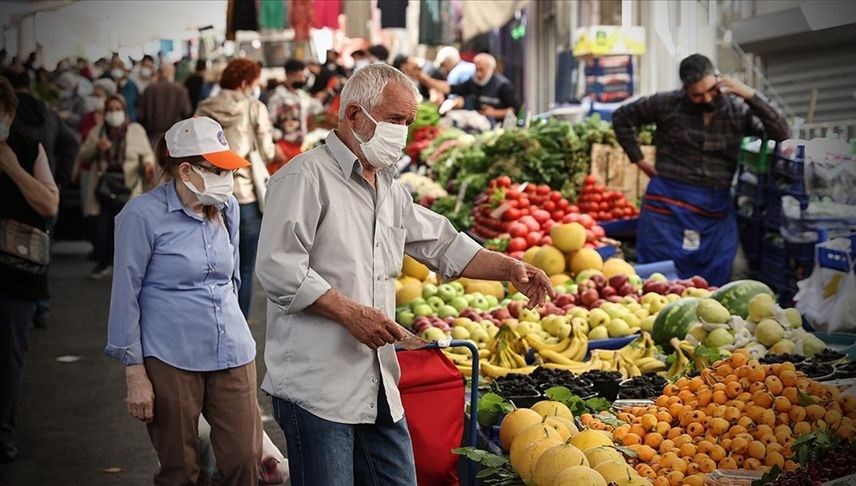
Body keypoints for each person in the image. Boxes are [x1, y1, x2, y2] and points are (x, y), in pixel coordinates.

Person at [255, 63, 554, 485]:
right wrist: (349, 312)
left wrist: (508, 268)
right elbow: (277, 267)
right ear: (356, 116)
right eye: (396, 120)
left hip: (377, 382)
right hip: (316, 389)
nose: (403, 132)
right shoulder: (304, 178)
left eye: (409, 123)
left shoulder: (389, 189)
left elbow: (443, 244)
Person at [105, 116, 262, 484]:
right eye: (217, 170)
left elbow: (233, 280)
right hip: (170, 356)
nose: (227, 179)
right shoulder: (142, 216)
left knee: (245, 461)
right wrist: (135, 372)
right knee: (181, 470)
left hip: (232, 350)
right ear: (186, 170)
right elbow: (125, 296)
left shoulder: (228, 209)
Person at [612, 53, 789, 286]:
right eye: (697, 95)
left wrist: (750, 95)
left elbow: (781, 133)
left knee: (717, 274)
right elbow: (621, 117)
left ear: (718, 80)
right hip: (667, 201)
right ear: (685, 89)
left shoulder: (738, 109)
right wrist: (639, 160)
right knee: (658, 277)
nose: (706, 98)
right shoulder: (666, 103)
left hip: (715, 205)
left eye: (712, 90)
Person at [0, 75, 60, 463]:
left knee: (8, 357)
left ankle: (2, 432)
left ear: (9, 113)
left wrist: (12, 169)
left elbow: (50, 205)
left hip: (15, 274)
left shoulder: (25, 147)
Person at [195, 58, 279, 318]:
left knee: (211, 263)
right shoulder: (255, 108)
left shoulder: (204, 107)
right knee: (243, 266)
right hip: (246, 196)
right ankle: (237, 322)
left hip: (207, 194)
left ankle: (212, 317)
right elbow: (268, 150)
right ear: (245, 83)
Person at [77, 94, 155, 280]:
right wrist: (98, 148)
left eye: (118, 109)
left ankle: (128, 267)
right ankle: (104, 262)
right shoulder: (98, 132)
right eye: (110, 109)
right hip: (104, 188)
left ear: (125, 111)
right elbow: (83, 156)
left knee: (128, 231)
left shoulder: (135, 130)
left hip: (128, 188)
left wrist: (148, 165)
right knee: (103, 230)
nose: (114, 113)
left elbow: (146, 154)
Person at [419, 53, 520, 121]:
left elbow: (516, 110)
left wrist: (495, 113)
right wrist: (427, 81)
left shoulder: (503, 86)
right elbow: (451, 88)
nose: (478, 74)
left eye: (482, 70)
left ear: (491, 69)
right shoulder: (472, 82)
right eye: (476, 69)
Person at [266, 59, 323, 173]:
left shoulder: (301, 95)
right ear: (288, 75)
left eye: (303, 76)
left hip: (300, 146)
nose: (302, 79)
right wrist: (274, 144)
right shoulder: (277, 95)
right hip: (283, 146)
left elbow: (317, 107)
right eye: (298, 76)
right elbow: (268, 123)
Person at [138, 63, 192, 148]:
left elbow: (141, 115)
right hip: (174, 138)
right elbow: (187, 112)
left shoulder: (149, 89)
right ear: (171, 73)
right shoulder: (180, 90)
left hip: (153, 136)